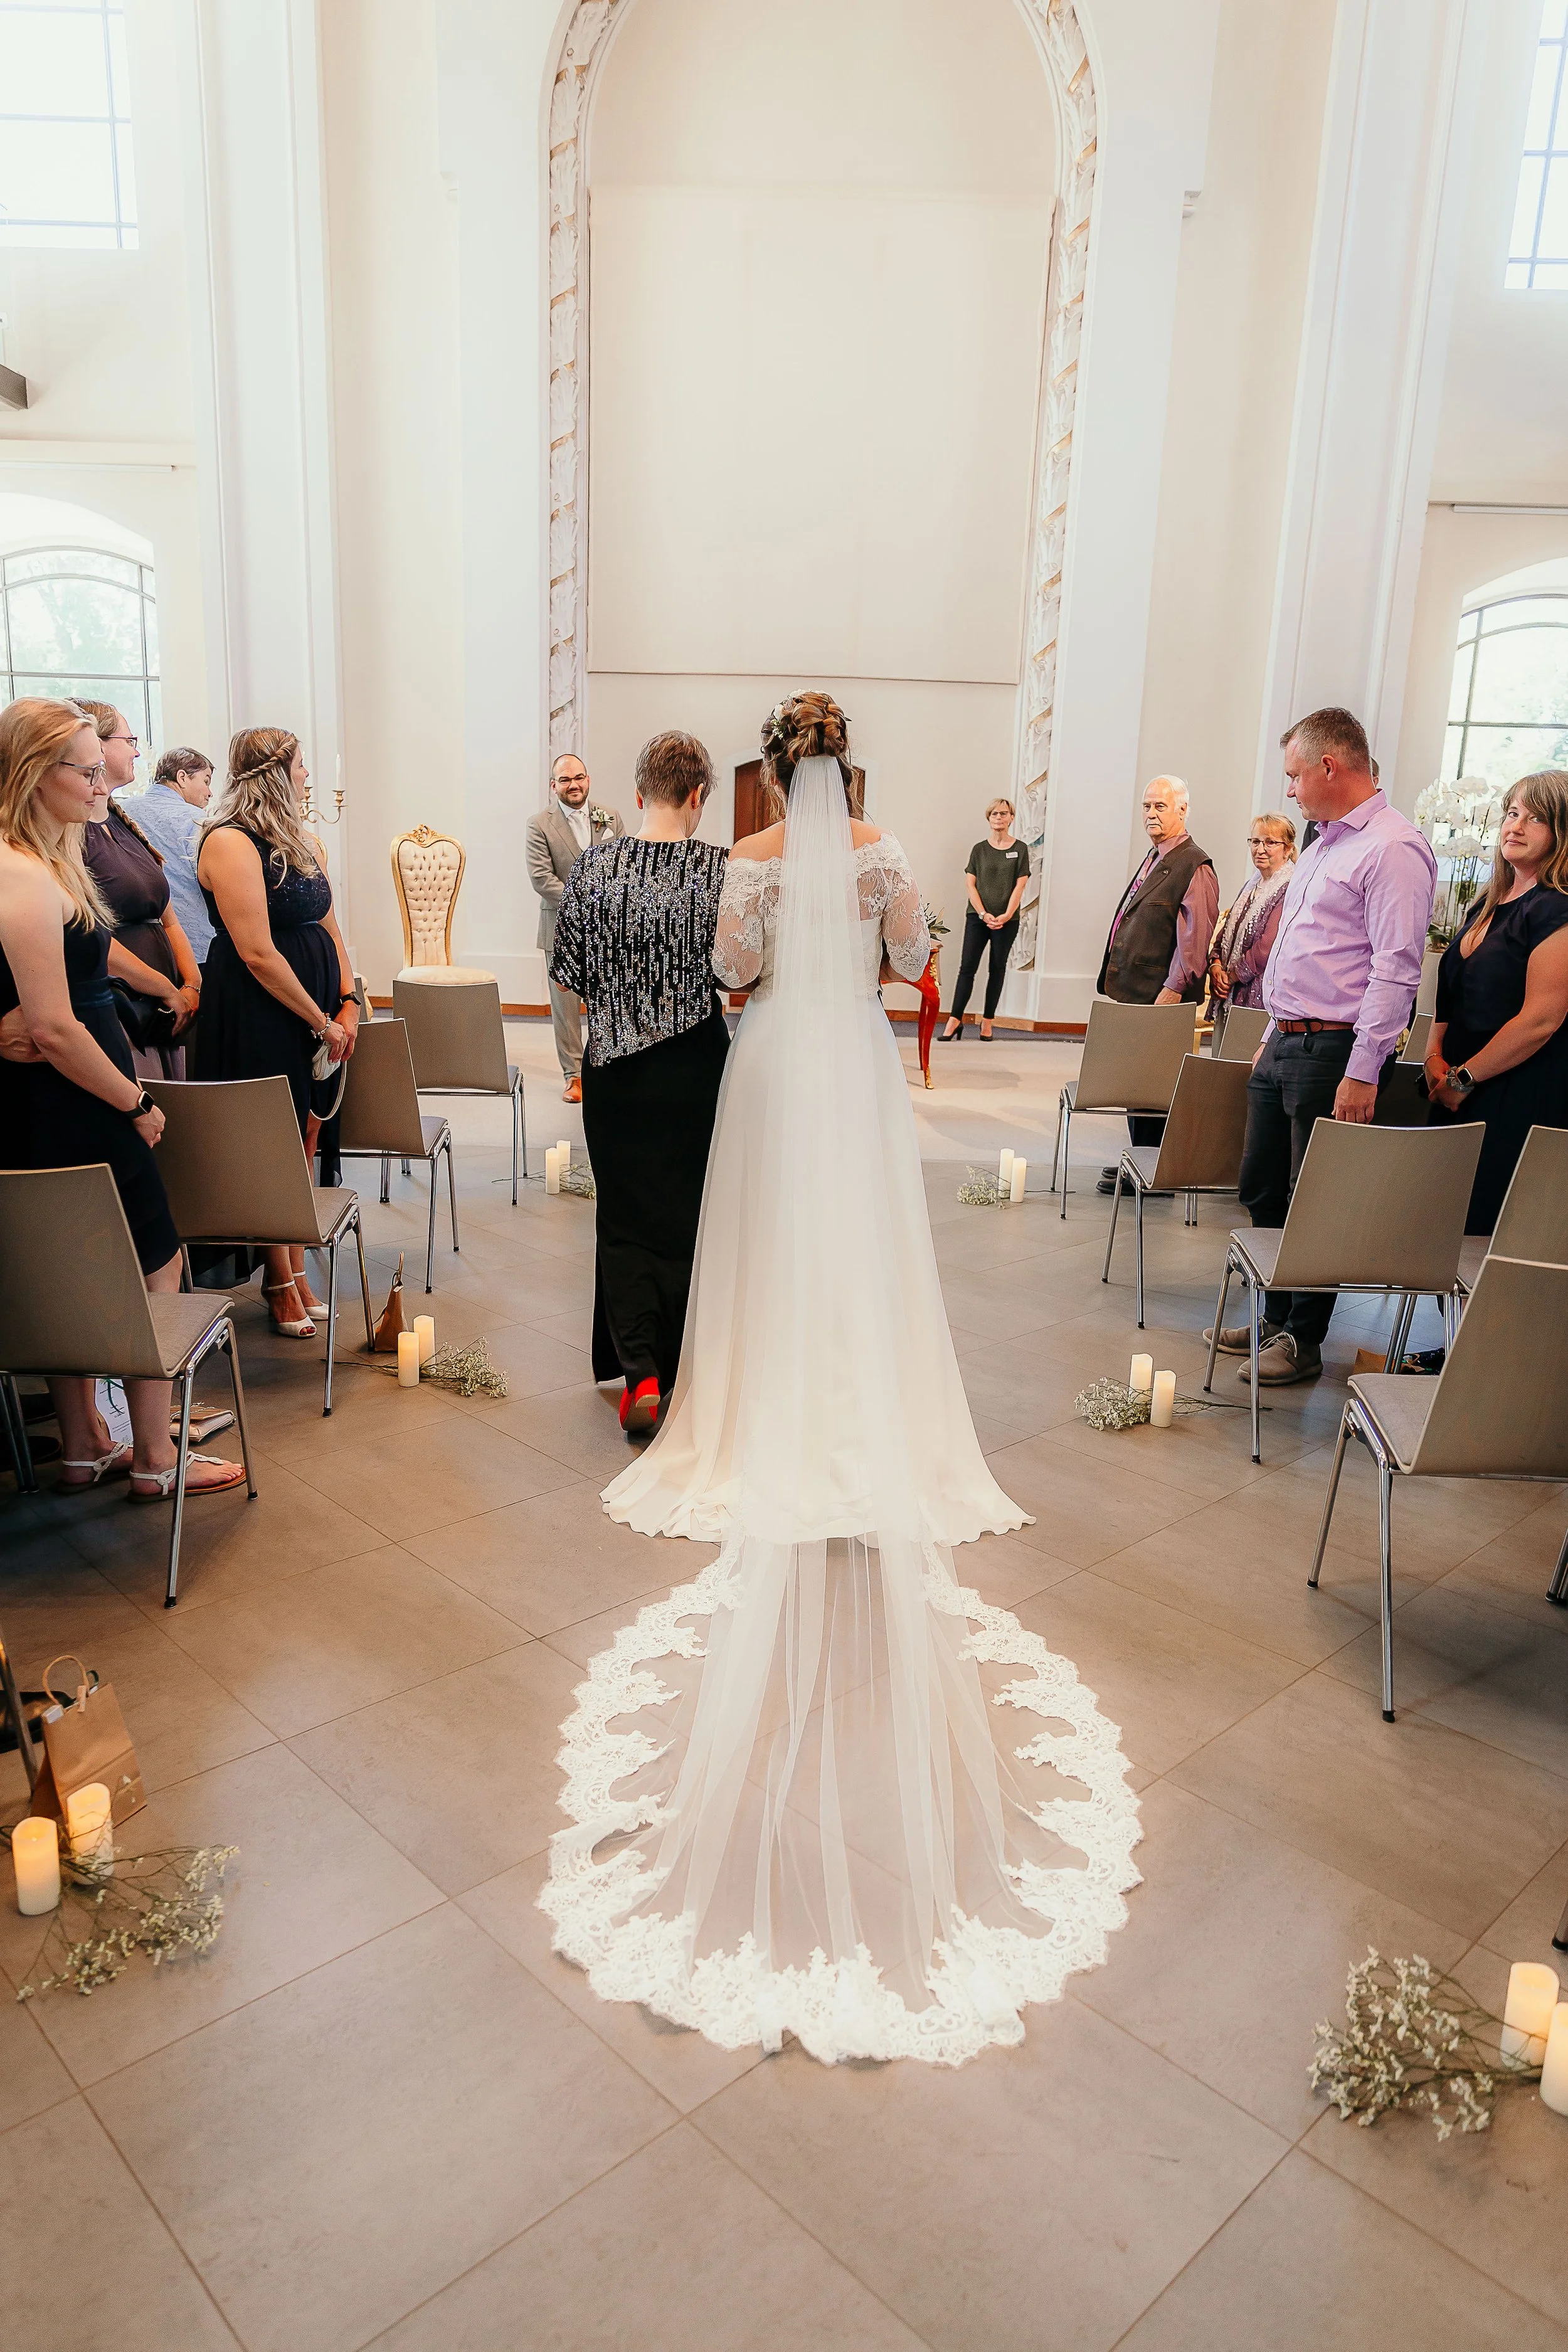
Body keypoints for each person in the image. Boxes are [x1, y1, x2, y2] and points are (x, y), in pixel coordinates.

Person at [538, 690, 1140, 2070]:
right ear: (846, 762)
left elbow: (731, 974)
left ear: (770, 767)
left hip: (768, 1065)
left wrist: (768, 966)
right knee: (861, 1239)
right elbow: (920, 953)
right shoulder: (880, 852)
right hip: (856, 1062)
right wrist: (869, 950)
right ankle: (870, 1410)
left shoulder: (749, 863)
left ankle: (741, 1402)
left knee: (758, 1242)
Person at [0, 698, 244, 1499]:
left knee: (68, 1271)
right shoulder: (24, 873)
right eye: (85, 765)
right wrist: (135, 1103)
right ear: (37, 775)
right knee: (157, 1264)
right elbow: (57, 1029)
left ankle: (81, 1445)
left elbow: (67, 983)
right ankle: (154, 1457)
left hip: (50, 1098)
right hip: (78, 1103)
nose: (104, 775)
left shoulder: (43, 860)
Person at [1210, 707, 1435, 1387]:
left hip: (1336, 1050)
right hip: (1284, 1041)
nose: (1289, 790)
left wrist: (1364, 1070)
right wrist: (1272, 1034)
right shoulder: (1325, 843)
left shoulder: (1392, 847)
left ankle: (1303, 1340)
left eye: (1293, 775)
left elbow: (1396, 966)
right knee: (1261, 1184)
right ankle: (1276, 1316)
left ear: (1329, 767)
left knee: (1317, 1200)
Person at [549, 731, 729, 1429]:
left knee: (624, 1220)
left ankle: (641, 1379)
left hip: (615, 1070)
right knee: (687, 1215)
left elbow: (568, 972)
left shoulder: (595, 866)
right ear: (697, 797)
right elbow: (734, 971)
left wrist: (621, 1006)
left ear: (635, 795)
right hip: (695, 1068)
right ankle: (685, 1365)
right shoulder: (720, 870)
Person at [195, 728, 358, 1338]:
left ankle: (293, 1269)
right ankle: (278, 1279)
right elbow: (258, 952)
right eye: (300, 766)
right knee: (273, 1142)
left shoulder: (303, 838)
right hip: (261, 1008)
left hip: (318, 1005)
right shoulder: (228, 843)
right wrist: (317, 1020)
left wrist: (348, 1002)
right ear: (272, 773)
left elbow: (330, 927)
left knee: (309, 1132)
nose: (308, 776)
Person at [1424, 770, 1568, 1233]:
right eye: (1512, 813)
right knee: (1438, 1224)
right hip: (1456, 1086)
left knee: (1482, 1232)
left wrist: (1463, 1078)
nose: (1515, 826)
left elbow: (1541, 1021)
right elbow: (1450, 993)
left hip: (1515, 1092)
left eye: (1535, 818)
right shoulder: (1487, 902)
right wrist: (1432, 1056)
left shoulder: (1557, 908)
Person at [1094, 774, 1217, 1189]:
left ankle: (1152, 1175)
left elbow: (1195, 938)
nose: (1150, 813)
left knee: (1153, 1088)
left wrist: (1174, 988)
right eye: (1147, 806)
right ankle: (1140, 1163)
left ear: (1183, 810)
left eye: (1160, 806)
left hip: (1161, 996)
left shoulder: (1194, 864)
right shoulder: (1158, 855)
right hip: (1137, 992)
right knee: (1136, 1084)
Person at [77, 702, 203, 1079]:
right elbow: (89, 935)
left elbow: (168, 917)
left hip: (161, 1009)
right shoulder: (70, 834)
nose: (136, 750)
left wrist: (192, 984)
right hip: (120, 1007)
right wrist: (166, 988)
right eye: (129, 739)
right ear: (94, 746)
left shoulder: (119, 820)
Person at [526, 753, 625, 1103]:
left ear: (588, 779)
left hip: (606, 929)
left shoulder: (610, 817)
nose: (574, 785)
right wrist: (585, 902)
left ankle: (606, 1068)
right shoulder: (539, 824)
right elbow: (541, 878)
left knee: (608, 1001)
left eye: (579, 777)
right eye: (565, 780)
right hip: (561, 927)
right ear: (554, 786)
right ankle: (574, 1076)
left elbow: (623, 870)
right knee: (566, 1009)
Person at [940, 796, 1028, 1041]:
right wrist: (983, 914)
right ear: (988, 818)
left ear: (1011, 817)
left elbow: (1020, 886)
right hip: (978, 918)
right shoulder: (979, 849)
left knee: (997, 969)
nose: (999, 817)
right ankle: (955, 1019)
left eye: (1003, 813)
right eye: (994, 814)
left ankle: (987, 1022)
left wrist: (1006, 915)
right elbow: (970, 884)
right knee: (967, 968)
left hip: (1007, 921)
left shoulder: (1020, 849)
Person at [120, 746, 216, 967]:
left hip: (141, 945)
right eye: (206, 781)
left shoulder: (122, 810)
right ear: (182, 777)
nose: (209, 792)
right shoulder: (197, 819)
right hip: (195, 942)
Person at [1209, 812, 1297, 1012]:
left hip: (1258, 998)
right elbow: (1226, 929)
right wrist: (1215, 965)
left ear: (1288, 849)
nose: (1260, 849)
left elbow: (1267, 948)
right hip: (1229, 990)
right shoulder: (1252, 884)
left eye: (1270, 842)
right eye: (1255, 841)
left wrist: (1230, 977)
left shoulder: (1290, 887)